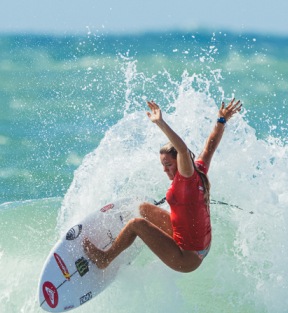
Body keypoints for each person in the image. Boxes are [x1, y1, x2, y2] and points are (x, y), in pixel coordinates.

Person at [83, 98, 242, 273]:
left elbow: (182, 149)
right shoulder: (199, 169)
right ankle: (129, 240)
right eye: (162, 165)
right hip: (200, 243)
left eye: (168, 165)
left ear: (180, 162)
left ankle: (105, 259)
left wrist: (161, 123)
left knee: (137, 223)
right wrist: (221, 120)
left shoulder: (186, 177)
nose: (165, 170)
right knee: (143, 208)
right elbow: (209, 147)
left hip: (188, 257)